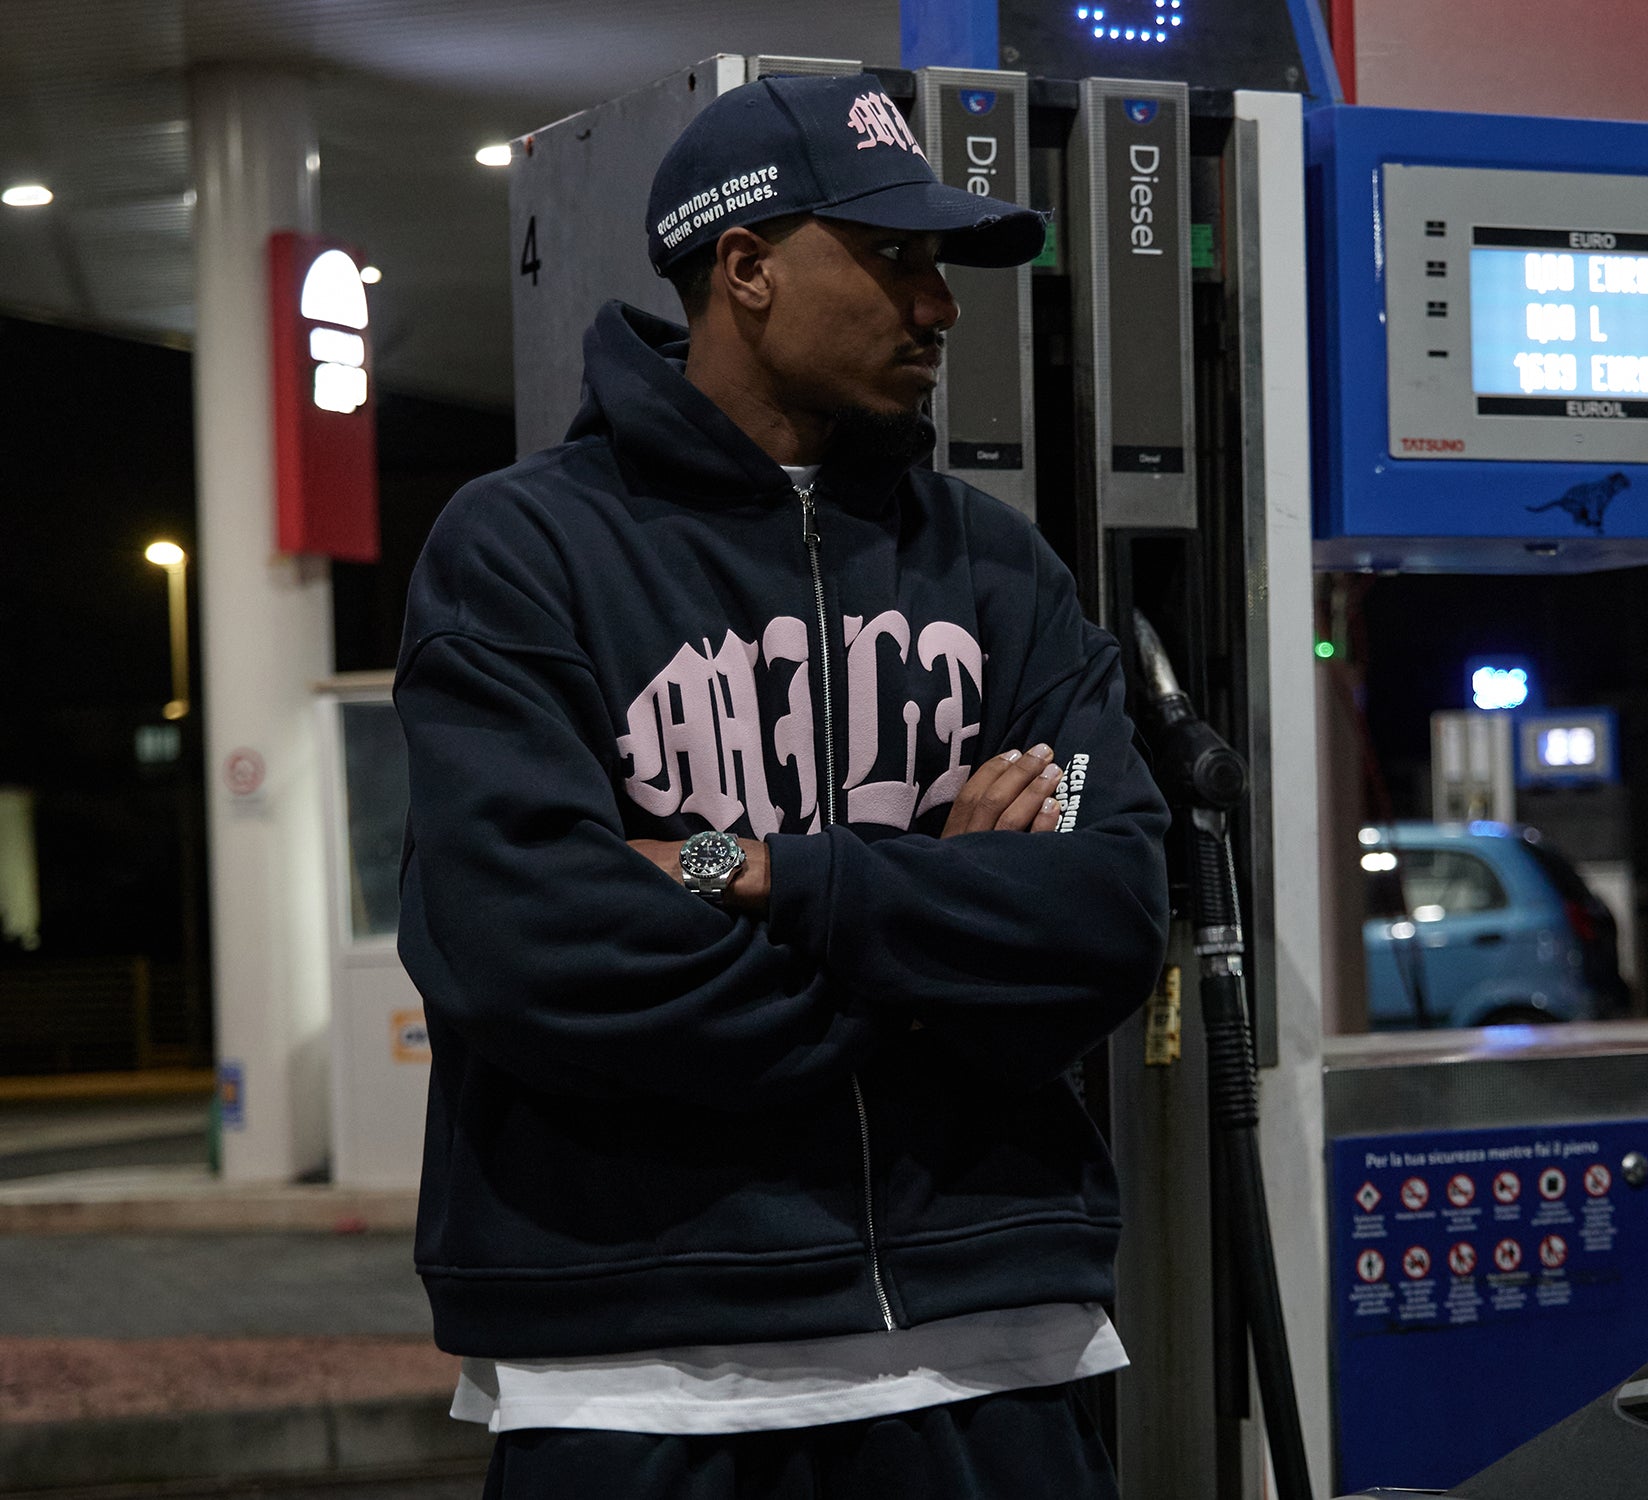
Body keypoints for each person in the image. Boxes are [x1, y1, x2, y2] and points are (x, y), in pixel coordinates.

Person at [394, 71, 1171, 1499]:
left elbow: (1110, 916)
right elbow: (529, 943)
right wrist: (944, 942)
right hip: (638, 1370)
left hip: (994, 1348)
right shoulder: (523, 549)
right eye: (894, 257)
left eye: (939, 264)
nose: (938, 306)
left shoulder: (997, 565)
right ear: (745, 267)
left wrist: (756, 870)